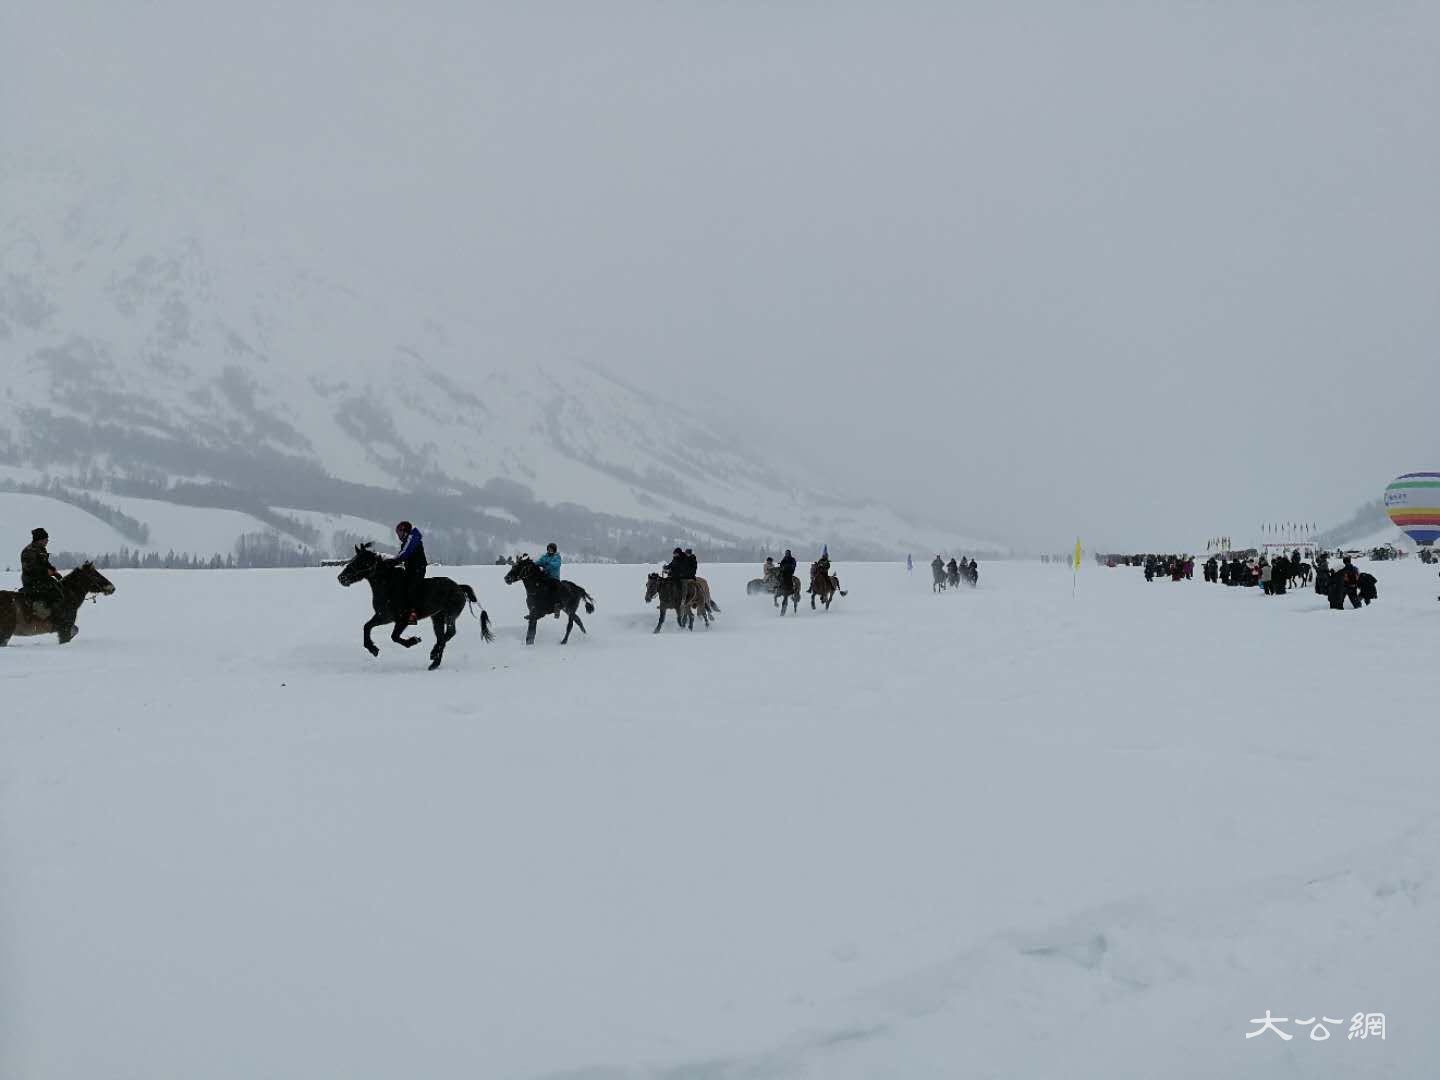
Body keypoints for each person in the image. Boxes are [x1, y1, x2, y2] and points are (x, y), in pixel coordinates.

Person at [19, 527, 65, 620]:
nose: (47, 541)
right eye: (45, 539)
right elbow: (30, 568)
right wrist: (46, 572)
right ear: (39, 540)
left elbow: (45, 564)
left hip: (42, 578)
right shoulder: (29, 551)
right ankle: (40, 611)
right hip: (32, 580)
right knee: (52, 592)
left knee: (59, 588)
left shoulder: (41, 549)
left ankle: (55, 614)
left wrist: (55, 572)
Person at [389, 521, 427, 623]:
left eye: (399, 533)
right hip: (410, 569)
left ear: (405, 531)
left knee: (410, 588)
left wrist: (393, 561)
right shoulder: (407, 540)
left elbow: (406, 552)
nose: (398, 536)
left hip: (418, 569)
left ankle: (412, 615)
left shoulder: (412, 537)